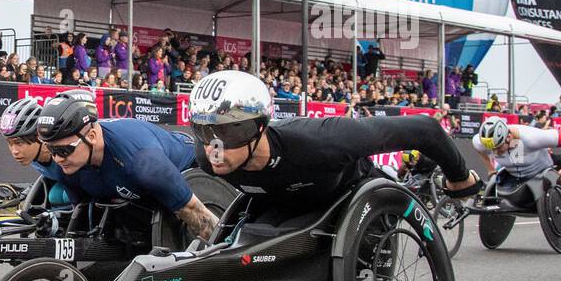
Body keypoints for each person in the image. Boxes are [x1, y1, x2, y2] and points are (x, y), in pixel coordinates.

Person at [186, 70, 478, 220]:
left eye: (228, 134)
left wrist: (459, 177)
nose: (215, 149)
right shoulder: (205, 155)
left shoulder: (322, 139)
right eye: (204, 131)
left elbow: (424, 129)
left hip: (346, 191)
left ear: (259, 127)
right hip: (280, 204)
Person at [37, 90, 220, 241]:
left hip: (184, 165)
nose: (57, 159)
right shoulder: (70, 164)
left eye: (63, 151)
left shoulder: (142, 162)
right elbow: (82, 214)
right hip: (135, 183)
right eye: (51, 150)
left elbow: (197, 214)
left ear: (91, 137)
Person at [0, 98, 72, 209]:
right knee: (55, 195)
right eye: (10, 143)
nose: (14, 151)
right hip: (65, 187)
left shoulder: (65, 154)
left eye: (19, 143)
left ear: (39, 136)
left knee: (61, 196)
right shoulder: (33, 155)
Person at [472, 116, 561, 192]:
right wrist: (491, 171)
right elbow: (480, 151)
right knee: (492, 191)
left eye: (498, 147)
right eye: (491, 149)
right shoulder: (481, 142)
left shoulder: (531, 137)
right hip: (515, 178)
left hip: (545, 173)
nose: (495, 152)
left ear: (508, 137)